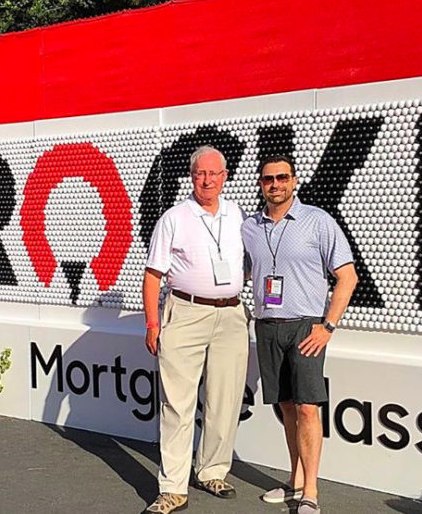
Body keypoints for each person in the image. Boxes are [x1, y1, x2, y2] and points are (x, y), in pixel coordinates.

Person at [241, 154, 358, 514]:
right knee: (286, 406)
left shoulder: (318, 221)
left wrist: (328, 327)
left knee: (308, 408)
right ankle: (293, 481)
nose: (275, 184)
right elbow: (240, 274)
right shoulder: (249, 227)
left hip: (306, 326)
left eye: (282, 178)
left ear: (294, 181)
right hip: (267, 325)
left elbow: (347, 277)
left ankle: (311, 492)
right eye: (267, 179)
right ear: (261, 184)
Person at [141, 145, 250, 514]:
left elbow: (249, 262)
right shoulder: (174, 217)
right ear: (192, 177)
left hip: (232, 316)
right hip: (185, 313)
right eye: (200, 173)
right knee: (177, 404)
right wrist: (153, 322)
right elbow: (153, 275)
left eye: (214, 174)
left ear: (225, 177)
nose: (207, 180)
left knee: (225, 398)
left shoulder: (238, 215)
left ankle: (212, 471)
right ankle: (173, 488)